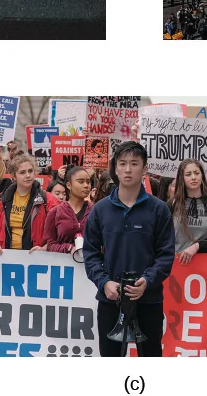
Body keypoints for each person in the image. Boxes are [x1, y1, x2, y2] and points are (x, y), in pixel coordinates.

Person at [82, 141, 175, 357]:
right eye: (122, 163)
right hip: (110, 299)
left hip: (149, 299)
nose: (127, 169)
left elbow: (166, 254)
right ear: (115, 168)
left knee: (150, 355)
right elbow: (91, 254)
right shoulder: (100, 210)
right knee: (110, 356)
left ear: (144, 169)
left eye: (134, 164)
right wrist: (104, 283)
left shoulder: (159, 209)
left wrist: (148, 280)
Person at [0, 154, 58, 252]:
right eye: (22, 172)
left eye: (30, 171)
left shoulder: (48, 199)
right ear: (14, 176)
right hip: (5, 256)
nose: (28, 175)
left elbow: (60, 230)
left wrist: (45, 248)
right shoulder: (2, 198)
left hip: (36, 257)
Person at [168, 159, 207, 264]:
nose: (193, 177)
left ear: (202, 175)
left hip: (204, 267)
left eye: (197, 173)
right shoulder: (172, 204)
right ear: (181, 178)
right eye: (188, 174)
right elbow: (162, 237)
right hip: (176, 266)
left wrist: (198, 246)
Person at [44, 166, 93, 255]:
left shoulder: (96, 211)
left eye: (88, 182)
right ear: (69, 185)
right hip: (63, 266)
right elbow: (50, 245)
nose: (86, 185)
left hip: (90, 266)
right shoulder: (55, 213)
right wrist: (69, 248)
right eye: (81, 182)